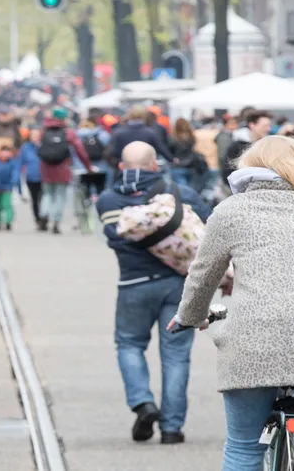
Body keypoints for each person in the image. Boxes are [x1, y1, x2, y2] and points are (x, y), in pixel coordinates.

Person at [171, 136, 294, 470]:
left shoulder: (231, 211)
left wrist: (189, 316)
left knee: (243, 447)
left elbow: (203, 274)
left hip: (253, 341)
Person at [95, 141, 211, 445]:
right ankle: (172, 429)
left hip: (133, 283)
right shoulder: (180, 193)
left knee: (129, 344)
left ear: (121, 167)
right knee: (176, 356)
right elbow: (209, 228)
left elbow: (115, 237)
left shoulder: (108, 199)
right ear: (154, 165)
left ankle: (143, 403)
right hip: (178, 284)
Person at [38, 108, 93, 234]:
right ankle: (56, 221)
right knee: (60, 195)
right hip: (62, 167)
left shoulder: (44, 130)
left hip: (46, 167)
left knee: (47, 194)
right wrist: (88, 166)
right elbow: (80, 150)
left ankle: (44, 214)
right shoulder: (68, 132)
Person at [107, 105, 176, 169]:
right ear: (144, 116)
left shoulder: (119, 132)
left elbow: (113, 152)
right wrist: (172, 159)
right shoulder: (150, 133)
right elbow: (161, 149)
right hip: (145, 168)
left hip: (126, 167)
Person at [221, 110, 271, 182]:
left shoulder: (267, 145)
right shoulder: (236, 146)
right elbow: (227, 172)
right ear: (252, 125)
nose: (268, 129)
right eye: (265, 126)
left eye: (269, 125)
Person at [19, 128, 44, 229]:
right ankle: (37, 219)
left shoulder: (44, 147)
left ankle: (44, 218)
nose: (35, 138)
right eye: (33, 135)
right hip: (31, 177)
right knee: (34, 199)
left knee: (43, 199)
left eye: (37, 135)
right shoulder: (25, 148)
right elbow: (21, 162)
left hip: (43, 177)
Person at [168, 119, 204, 188]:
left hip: (177, 166)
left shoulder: (173, 138)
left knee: (181, 190)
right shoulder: (192, 138)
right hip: (191, 166)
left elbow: (169, 151)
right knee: (190, 188)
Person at [0, 145, 20, 231]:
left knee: (7, 205)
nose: (4, 155)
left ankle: (8, 221)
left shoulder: (12, 163)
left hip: (7, 187)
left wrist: (14, 182)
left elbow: (15, 174)